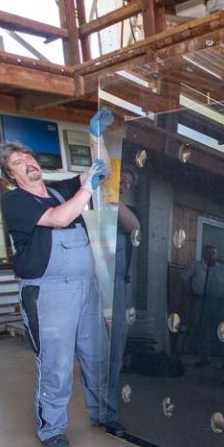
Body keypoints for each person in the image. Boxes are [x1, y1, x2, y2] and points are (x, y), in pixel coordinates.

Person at [0, 107, 119, 447]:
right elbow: (60, 219)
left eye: (29, 156)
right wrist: (88, 189)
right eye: (18, 162)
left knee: (98, 357)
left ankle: (104, 416)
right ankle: (51, 429)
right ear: (11, 174)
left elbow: (102, 171)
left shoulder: (61, 189)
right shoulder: (15, 201)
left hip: (86, 289)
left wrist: (96, 138)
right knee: (56, 364)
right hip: (49, 294)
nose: (28, 162)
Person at [106, 168, 141, 416]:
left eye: (128, 182)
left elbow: (134, 227)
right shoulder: (92, 205)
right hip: (88, 282)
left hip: (116, 284)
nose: (124, 184)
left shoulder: (129, 212)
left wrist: (113, 200)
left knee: (116, 342)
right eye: (121, 179)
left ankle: (107, 407)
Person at [183, 244, 224, 366]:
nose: (211, 256)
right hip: (200, 300)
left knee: (222, 330)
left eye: (214, 253)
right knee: (203, 330)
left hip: (219, 303)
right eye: (209, 253)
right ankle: (204, 358)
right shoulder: (196, 266)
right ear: (204, 254)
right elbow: (183, 279)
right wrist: (187, 296)